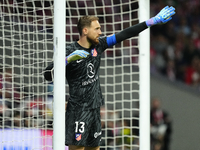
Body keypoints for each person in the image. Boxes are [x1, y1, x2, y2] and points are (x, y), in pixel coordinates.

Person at [44, 6, 175, 150]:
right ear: (85, 30)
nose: (100, 32)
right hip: (77, 111)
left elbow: (124, 34)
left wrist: (151, 21)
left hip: (94, 109)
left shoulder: (99, 45)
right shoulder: (68, 50)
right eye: (97, 29)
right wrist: (67, 60)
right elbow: (47, 75)